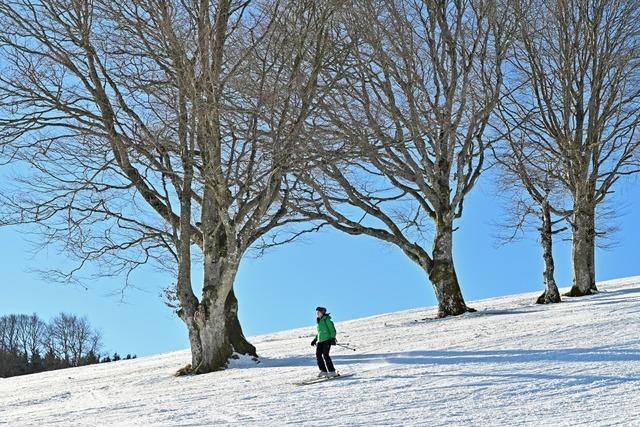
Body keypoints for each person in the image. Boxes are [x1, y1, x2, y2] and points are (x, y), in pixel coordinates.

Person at [310, 306, 338, 378]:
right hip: (320, 340)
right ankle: (324, 371)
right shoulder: (319, 321)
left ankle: (332, 372)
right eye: (317, 312)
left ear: (322, 312)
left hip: (327, 340)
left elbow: (332, 330)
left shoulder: (327, 320)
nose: (317, 314)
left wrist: (332, 338)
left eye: (318, 312)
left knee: (325, 355)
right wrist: (315, 339)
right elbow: (319, 332)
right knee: (318, 355)